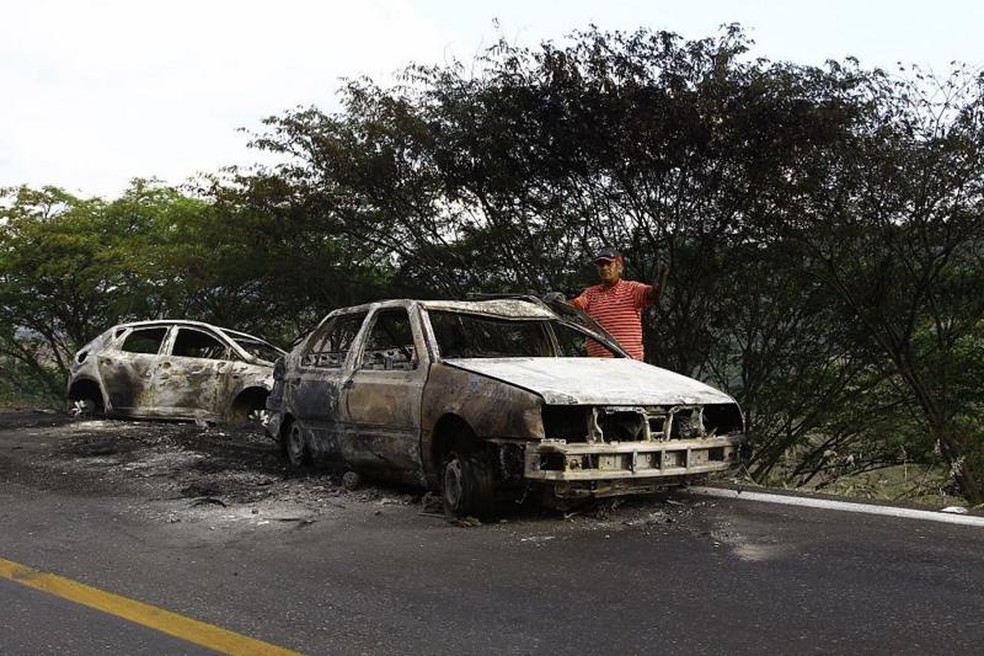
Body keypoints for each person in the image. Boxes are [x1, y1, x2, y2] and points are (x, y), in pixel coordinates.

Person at [568, 247, 668, 360]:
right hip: (598, 366)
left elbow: (653, 294)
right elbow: (575, 307)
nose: (604, 268)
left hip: (629, 364)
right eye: (601, 265)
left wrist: (662, 275)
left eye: (609, 264)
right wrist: (559, 302)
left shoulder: (632, 289)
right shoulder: (590, 293)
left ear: (619, 267)